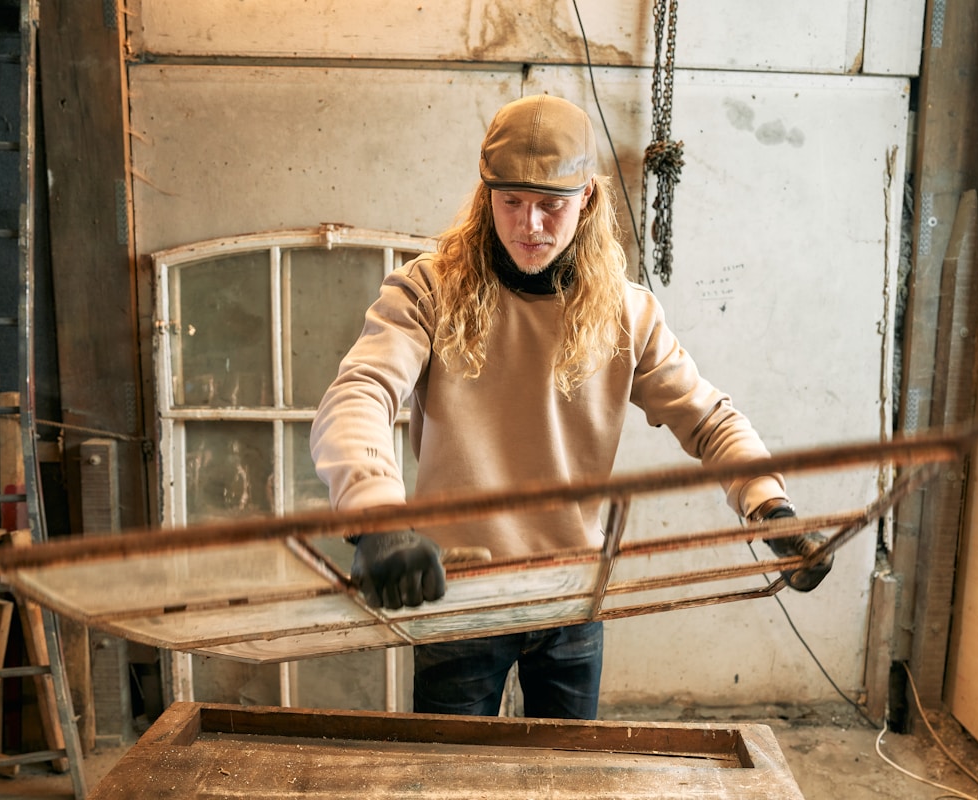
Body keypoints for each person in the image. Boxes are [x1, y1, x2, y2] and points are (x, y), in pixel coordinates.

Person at [309, 93, 831, 721]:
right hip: (458, 592)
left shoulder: (627, 313)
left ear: (586, 199)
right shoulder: (428, 289)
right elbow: (360, 391)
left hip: (570, 595)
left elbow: (708, 419)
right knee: (446, 776)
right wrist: (375, 516)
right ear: (486, 194)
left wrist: (769, 505)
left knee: (567, 776)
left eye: (551, 206)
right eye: (512, 203)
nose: (530, 225)